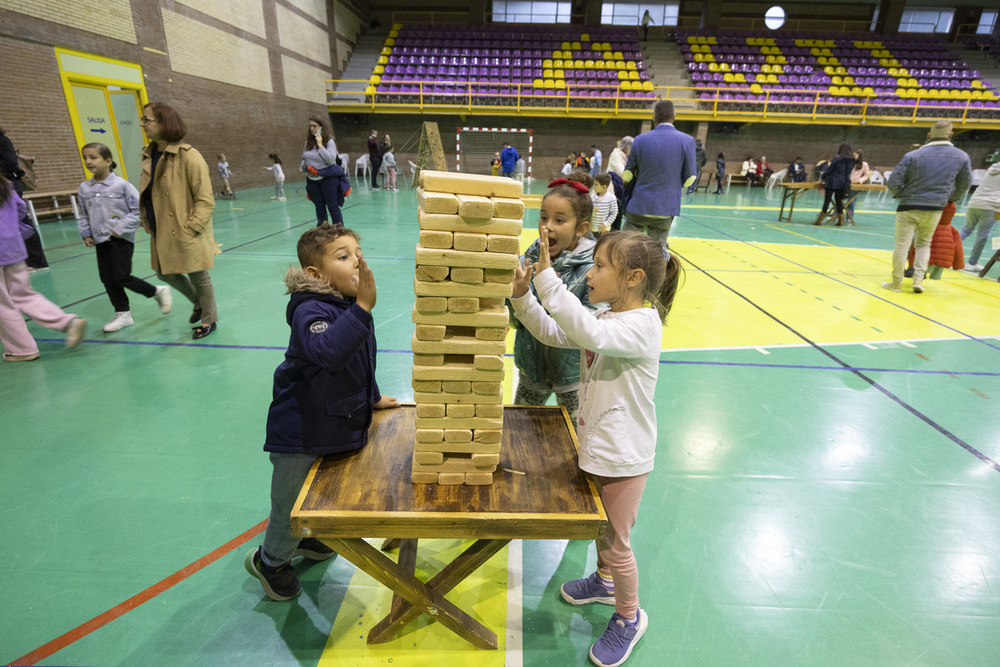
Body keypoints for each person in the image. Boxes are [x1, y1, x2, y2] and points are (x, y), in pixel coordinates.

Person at [510, 229, 682, 667]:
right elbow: (555, 331)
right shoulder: (605, 319)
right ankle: (605, 583)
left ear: (633, 277)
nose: (590, 272)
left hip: (625, 458)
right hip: (598, 448)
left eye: (600, 266)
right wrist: (522, 298)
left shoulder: (643, 325)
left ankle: (628, 616)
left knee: (615, 541)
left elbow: (583, 328)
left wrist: (547, 275)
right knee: (600, 530)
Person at [244, 224, 399, 601]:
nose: (357, 261)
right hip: (300, 433)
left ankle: (306, 544)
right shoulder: (309, 308)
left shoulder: (345, 304)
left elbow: (359, 361)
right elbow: (330, 352)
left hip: (329, 425)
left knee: (321, 499)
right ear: (315, 274)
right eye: (344, 256)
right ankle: (272, 562)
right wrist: (363, 307)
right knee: (290, 506)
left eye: (358, 253)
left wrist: (373, 395)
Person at [510, 173, 597, 423]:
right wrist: (510, 290)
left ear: (581, 228)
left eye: (560, 220)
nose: (548, 226)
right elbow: (517, 317)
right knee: (521, 425)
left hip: (571, 376)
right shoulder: (530, 255)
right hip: (531, 368)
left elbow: (590, 325)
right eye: (544, 217)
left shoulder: (592, 269)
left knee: (576, 435)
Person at [139, 101, 220, 340]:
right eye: (143, 119)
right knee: (164, 273)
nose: (143, 124)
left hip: (185, 229)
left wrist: (192, 227)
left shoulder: (189, 156)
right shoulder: (149, 153)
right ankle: (200, 304)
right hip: (160, 228)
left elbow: (205, 200)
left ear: (164, 123)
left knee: (198, 274)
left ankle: (209, 319)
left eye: (147, 119)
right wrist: (146, 218)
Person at [77, 143, 172, 333]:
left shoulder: (122, 186)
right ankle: (123, 314)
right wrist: (86, 232)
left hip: (121, 239)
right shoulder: (85, 187)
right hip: (99, 240)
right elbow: (83, 213)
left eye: (93, 157)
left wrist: (119, 228)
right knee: (107, 279)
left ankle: (157, 291)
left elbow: (139, 211)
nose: (88, 161)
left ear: (108, 161)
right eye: (85, 157)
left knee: (122, 276)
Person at [0, 173, 86, 361]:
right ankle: (68, 322)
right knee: (24, 295)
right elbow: (21, 210)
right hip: (13, 248)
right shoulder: (5, 185)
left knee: (3, 305)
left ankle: (22, 349)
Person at [882, 120, 971, 293]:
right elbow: (964, 184)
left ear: (928, 136)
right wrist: (949, 198)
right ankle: (918, 281)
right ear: (951, 134)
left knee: (902, 245)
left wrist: (901, 194)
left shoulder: (912, 156)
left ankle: (896, 282)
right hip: (936, 207)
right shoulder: (962, 156)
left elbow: (894, 181)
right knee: (924, 244)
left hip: (909, 205)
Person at [622, 100, 696, 250]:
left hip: (639, 204)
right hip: (666, 207)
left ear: (653, 118)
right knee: (657, 251)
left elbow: (627, 175)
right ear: (674, 116)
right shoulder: (687, 141)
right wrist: (673, 183)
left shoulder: (640, 140)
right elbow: (690, 179)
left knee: (625, 246)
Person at [0, 126, 48, 272]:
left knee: (20, 222)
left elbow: (10, 164)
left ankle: (36, 262)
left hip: (8, 186)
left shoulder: (2, 141)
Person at [301, 116, 348, 226]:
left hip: (328, 179)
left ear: (321, 127)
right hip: (312, 180)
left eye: (315, 126)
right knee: (319, 207)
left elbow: (331, 160)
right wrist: (305, 168)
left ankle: (339, 231)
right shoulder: (308, 142)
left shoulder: (329, 142)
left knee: (332, 206)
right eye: (310, 126)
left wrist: (320, 145)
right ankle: (322, 230)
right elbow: (304, 159)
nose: (312, 128)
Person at [959, 160, 1000, 273]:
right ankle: (972, 263)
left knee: (966, 230)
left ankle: (946, 253)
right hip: (991, 205)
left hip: (974, 203)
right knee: (983, 235)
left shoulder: (992, 168)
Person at [905, 202, 964, 279]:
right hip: (942, 251)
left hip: (929, 226)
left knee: (915, 245)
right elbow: (958, 247)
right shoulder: (952, 229)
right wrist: (958, 265)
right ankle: (925, 274)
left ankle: (912, 270)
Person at [813, 142, 853, 227]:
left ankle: (819, 220)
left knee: (827, 201)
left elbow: (830, 169)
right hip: (842, 182)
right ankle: (841, 220)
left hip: (832, 181)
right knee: (839, 202)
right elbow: (848, 172)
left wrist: (823, 176)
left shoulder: (837, 158)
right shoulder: (851, 160)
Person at [846, 150, 871, 222]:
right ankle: (836, 215)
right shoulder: (849, 163)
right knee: (840, 200)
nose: (854, 157)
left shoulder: (864, 164)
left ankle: (849, 217)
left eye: (856, 155)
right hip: (847, 183)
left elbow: (866, 175)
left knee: (851, 201)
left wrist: (861, 180)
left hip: (856, 184)